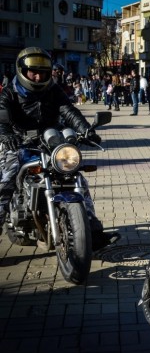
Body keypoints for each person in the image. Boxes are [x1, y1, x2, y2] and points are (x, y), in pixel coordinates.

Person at [0, 47, 117, 248]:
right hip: (18, 142)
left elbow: (69, 111)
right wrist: (6, 135)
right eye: (33, 72)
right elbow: (1, 118)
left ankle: (91, 231)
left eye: (43, 72)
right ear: (22, 71)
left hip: (49, 141)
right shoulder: (10, 93)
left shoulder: (53, 90)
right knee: (7, 179)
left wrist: (86, 130)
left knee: (76, 176)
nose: (38, 76)